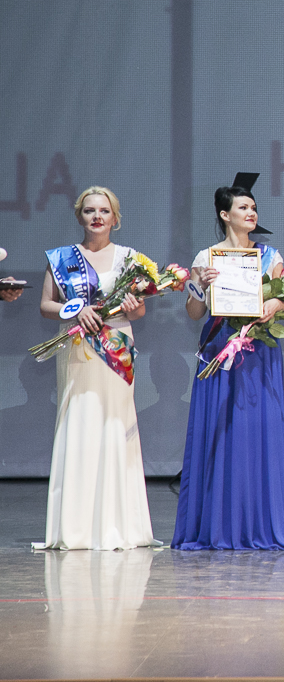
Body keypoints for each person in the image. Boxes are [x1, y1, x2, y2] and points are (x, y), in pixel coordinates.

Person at [172, 182, 284, 550]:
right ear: (224, 214)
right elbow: (194, 312)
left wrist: (275, 304)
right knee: (220, 431)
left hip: (258, 350)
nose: (251, 213)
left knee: (256, 431)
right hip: (220, 347)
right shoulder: (206, 256)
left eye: (253, 207)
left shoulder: (269, 255)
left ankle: (258, 523)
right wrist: (199, 285)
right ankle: (217, 524)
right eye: (243, 207)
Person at [36, 186, 155, 550]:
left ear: (115, 219)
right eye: (90, 211)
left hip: (116, 348)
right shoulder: (62, 258)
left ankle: (119, 525)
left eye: (104, 211)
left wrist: (134, 306)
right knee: (80, 421)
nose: (97, 216)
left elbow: (139, 311)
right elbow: (46, 305)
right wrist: (74, 309)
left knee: (115, 423)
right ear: (80, 217)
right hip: (78, 348)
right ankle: (76, 528)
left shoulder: (131, 258)